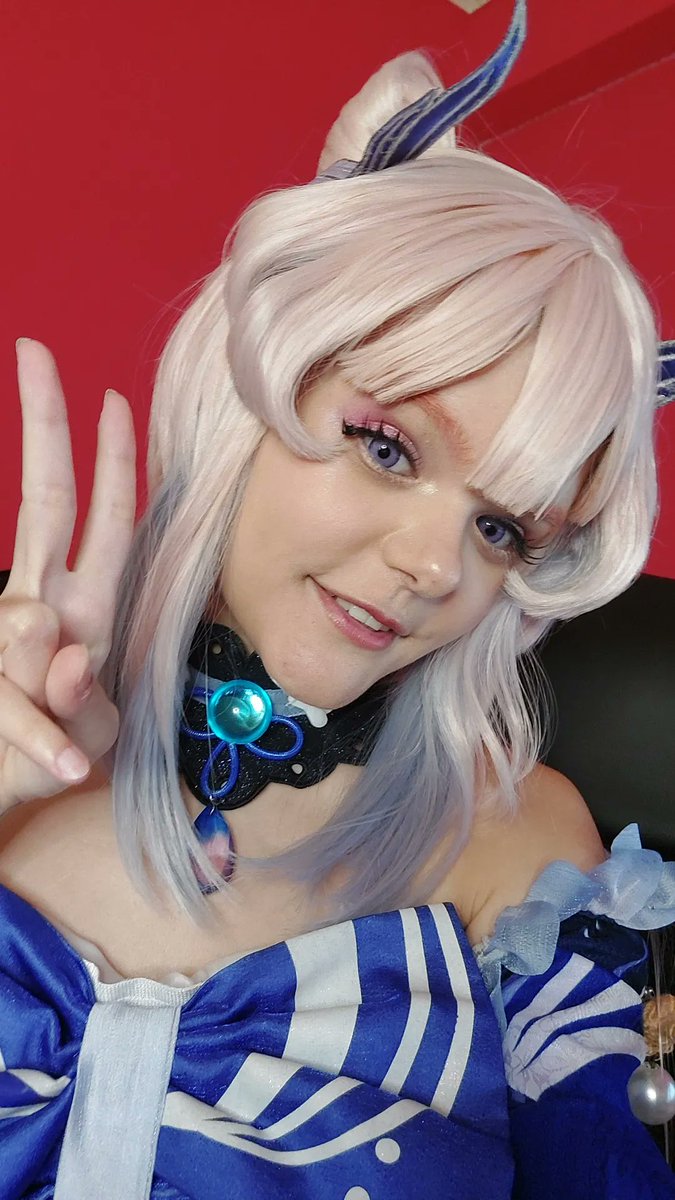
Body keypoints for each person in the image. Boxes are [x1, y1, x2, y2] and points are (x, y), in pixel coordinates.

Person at [0, 2, 674, 1196]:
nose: (436, 568)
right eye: (390, 447)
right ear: (249, 391)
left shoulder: (523, 853)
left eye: (502, 527)